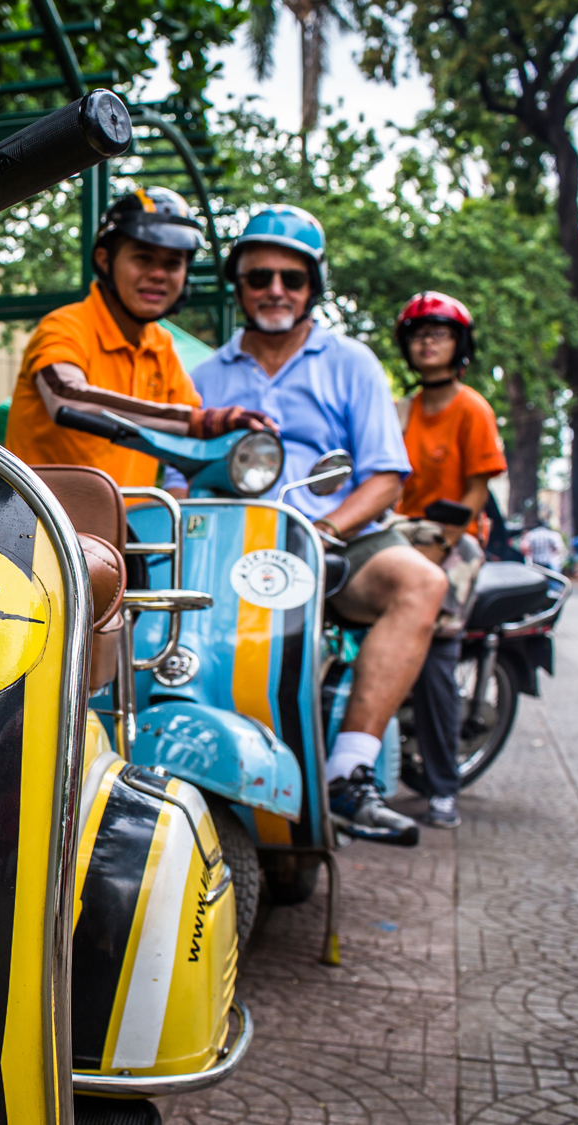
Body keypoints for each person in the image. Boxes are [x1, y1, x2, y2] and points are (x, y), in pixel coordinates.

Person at [189, 205, 448, 846]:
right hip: (226, 544)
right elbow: (178, 480)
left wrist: (323, 530)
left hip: (338, 541)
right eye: (259, 277)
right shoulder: (202, 378)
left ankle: (350, 770)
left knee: (422, 583)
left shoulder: (353, 361)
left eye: (291, 278)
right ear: (239, 287)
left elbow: (386, 476)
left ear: (313, 288)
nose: (275, 289)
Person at [5, 188, 272, 497]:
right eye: (143, 258)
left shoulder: (161, 345)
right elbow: (66, 396)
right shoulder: (64, 327)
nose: (158, 274)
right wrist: (201, 422)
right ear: (105, 260)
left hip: (129, 532)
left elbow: (193, 438)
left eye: (173, 263)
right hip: (42, 529)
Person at [391, 292, 508, 829]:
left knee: (436, 654)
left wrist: (440, 546)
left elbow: (478, 491)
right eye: (418, 333)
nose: (428, 340)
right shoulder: (402, 409)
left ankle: (443, 788)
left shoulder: (472, 408)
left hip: (455, 540)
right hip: (400, 535)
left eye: (439, 332)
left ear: (460, 344)